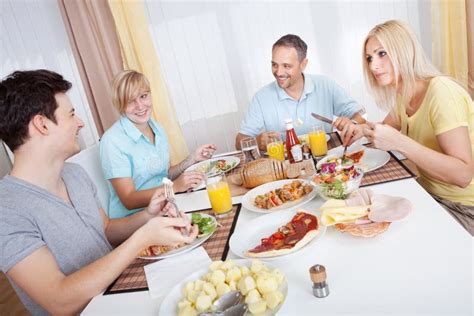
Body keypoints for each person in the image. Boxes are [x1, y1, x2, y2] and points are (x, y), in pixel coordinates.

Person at [0, 69, 198, 315]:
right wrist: (142, 238)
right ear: (42, 124)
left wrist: (148, 216)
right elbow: (59, 300)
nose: (81, 123)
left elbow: (105, 229)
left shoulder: (73, 173)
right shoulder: (6, 209)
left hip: (125, 292)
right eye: (71, 114)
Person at [338, 20, 474, 235]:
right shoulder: (404, 94)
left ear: (404, 50)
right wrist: (361, 129)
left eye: (382, 53)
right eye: (369, 58)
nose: (373, 66)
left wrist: (401, 143)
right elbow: (383, 129)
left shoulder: (442, 93)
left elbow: (463, 175)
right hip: (430, 195)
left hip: (465, 208)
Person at [100, 70, 217, 218]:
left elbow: (164, 174)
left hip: (167, 206)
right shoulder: (112, 141)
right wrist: (174, 188)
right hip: (137, 219)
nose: (140, 106)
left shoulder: (157, 128)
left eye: (143, 96)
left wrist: (191, 159)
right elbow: (128, 200)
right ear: (120, 105)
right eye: (130, 101)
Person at [235, 34, 366, 150]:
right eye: (274, 65)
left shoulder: (325, 84)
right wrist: (257, 142)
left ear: (303, 64)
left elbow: (362, 115)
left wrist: (352, 123)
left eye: (286, 66)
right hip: (286, 168)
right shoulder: (261, 97)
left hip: (327, 159)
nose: (279, 72)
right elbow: (239, 141)